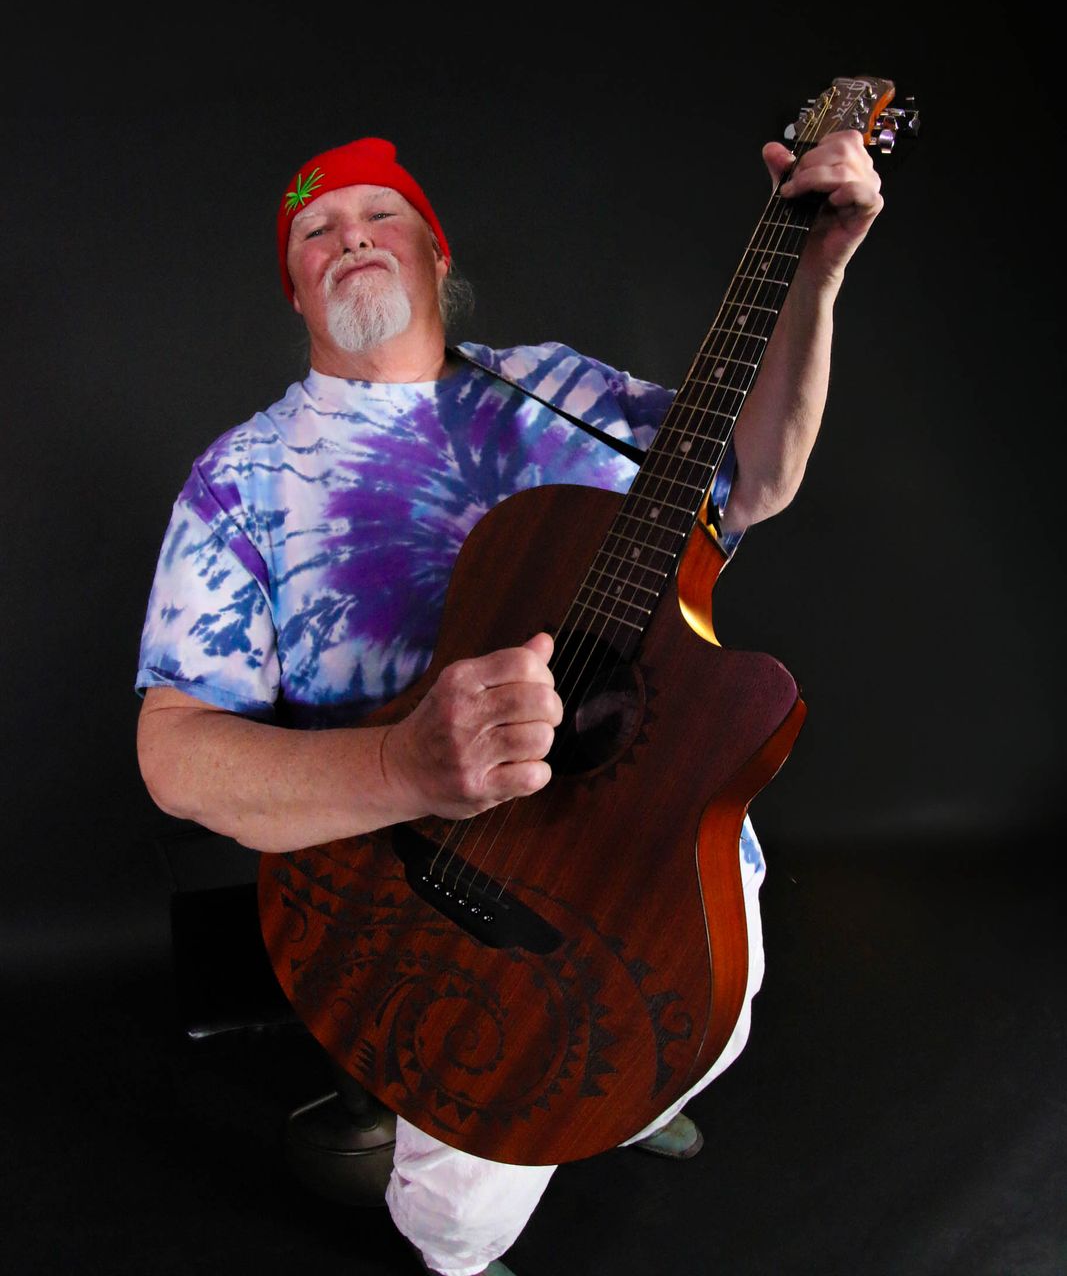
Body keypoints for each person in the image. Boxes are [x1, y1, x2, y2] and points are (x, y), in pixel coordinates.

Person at [136, 127, 884, 1276]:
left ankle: (631, 1104)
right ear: (293, 286)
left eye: (380, 215)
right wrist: (401, 765)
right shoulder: (241, 475)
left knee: (722, 1024)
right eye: (316, 230)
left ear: (435, 254)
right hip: (435, 901)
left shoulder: (555, 386)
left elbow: (751, 478)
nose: (350, 238)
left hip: (651, 852)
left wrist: (815, 269)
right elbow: (176, 753)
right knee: (460, 1212)